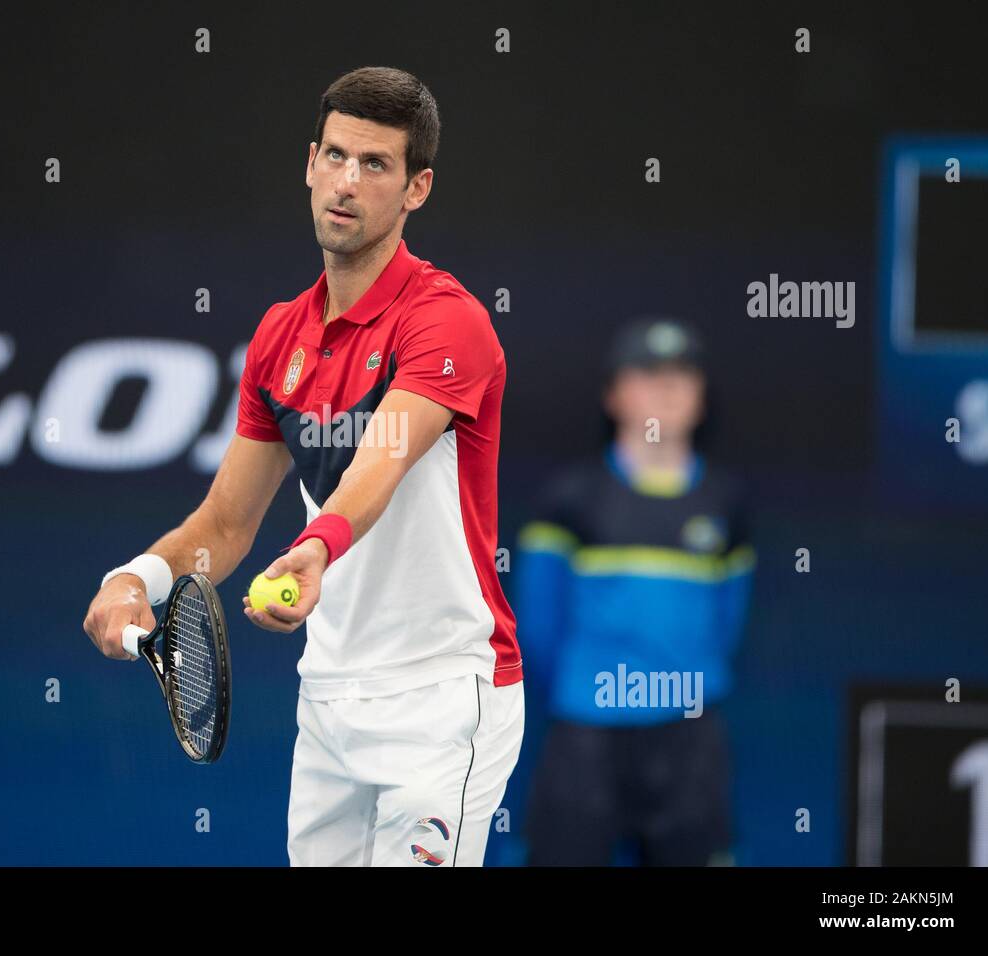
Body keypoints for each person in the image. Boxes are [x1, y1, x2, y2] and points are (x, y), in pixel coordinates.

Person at [82, 66, 523, 867]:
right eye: (336, 156)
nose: (348, 183)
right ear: (310, 162)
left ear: (416, 188)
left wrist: (316, 547)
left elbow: (382, 457)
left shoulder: (447, 320)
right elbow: (224, 524)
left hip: (444, 696)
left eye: (377, 164)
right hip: (328, 701)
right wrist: (136, 578)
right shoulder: (280, 337)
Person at [516, 317, 754, 866]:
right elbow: (540, 626)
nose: (667, 389)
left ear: (702, 396)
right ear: (613, 395)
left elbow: (728, 622)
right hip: (585, 736)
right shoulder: (570, 500)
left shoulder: (726, 503)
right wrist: (587, 694)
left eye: (683, 375)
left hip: (690, 739)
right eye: (647, 374)